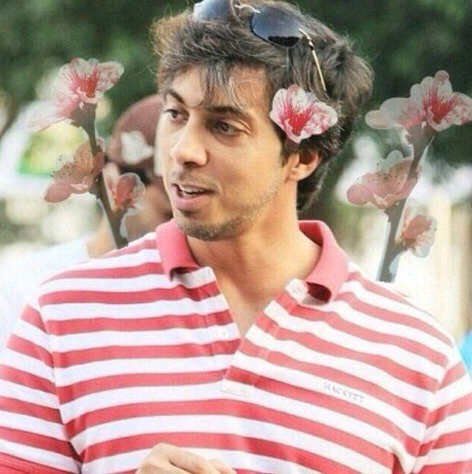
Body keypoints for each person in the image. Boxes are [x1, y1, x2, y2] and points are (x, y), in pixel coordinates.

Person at [1, 0, 471, 472]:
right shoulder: (61, 317)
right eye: (175, 114)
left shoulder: (418, 357)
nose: (183, 151)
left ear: (303, 156)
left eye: (224, 126)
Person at [0, 94, 171, 350]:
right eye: (167, 214)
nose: (179, 229)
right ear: (114, 183)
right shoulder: (27, 289)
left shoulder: (196, 297)